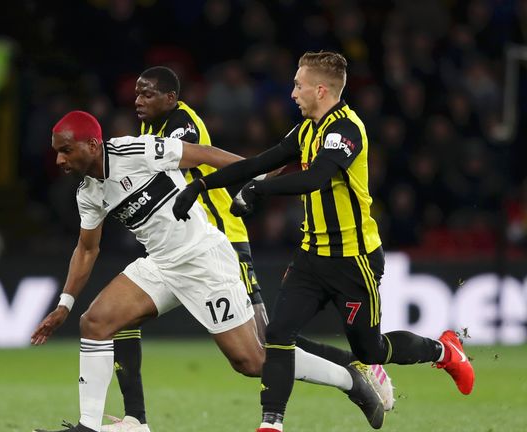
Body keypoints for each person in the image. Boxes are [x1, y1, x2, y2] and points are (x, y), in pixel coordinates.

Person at [172, 51, 475, 432]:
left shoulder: (346, 129)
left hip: (353, 260)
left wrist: (259, 193)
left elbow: (314, 177)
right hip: (311, 258)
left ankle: (444, 350)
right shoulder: (306, 129)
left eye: (298, 85)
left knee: (371, 349)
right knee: (279, 335)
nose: (293, 92)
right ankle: (271, 424)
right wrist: (202, 183)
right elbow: (258, 162)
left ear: (320, 89)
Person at [31, 111, 386, 432]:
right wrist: (64, 303)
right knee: (94, 322)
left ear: (92, 145)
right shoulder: (88, 192)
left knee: (252, 361)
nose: (59, 160)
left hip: (203, 259)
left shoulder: (135, 151)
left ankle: (350, 381)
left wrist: (255, 172)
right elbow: (87, 248)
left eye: (65, 150)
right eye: (57, 152)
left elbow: (200, 153)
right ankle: (88, 427)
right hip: (161, 264)